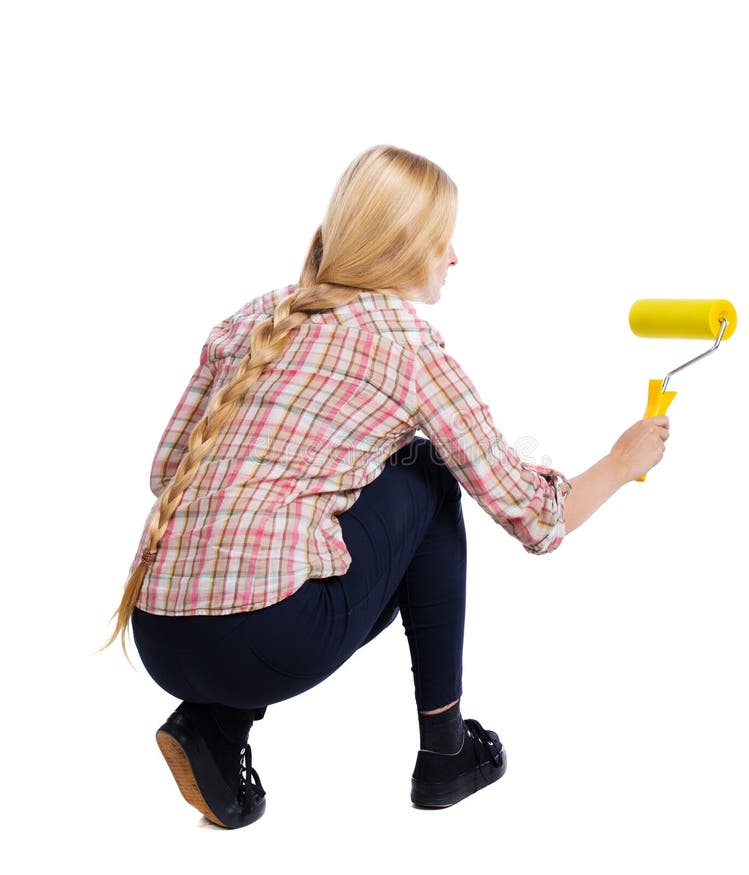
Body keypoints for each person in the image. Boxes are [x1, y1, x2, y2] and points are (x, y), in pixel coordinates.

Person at [104, 144, 670, 829]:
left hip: (158, 633)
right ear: (404, 246)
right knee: (428, 472)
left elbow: (167, 471)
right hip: (266, 643)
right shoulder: (406, 348)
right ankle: (445, 751)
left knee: (391, 481)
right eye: (443, 239)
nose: (455, 256)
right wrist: (617, 459)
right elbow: (536, 521)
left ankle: (215, 729)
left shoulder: (257, 315)